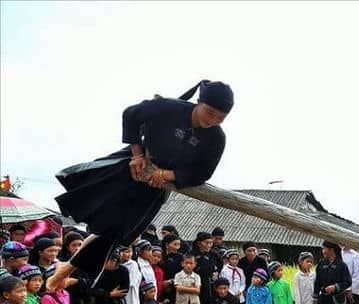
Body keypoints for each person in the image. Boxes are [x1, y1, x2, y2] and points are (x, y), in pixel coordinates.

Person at [50, 80, 233, 291]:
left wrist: (166, 174)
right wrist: (137, 154)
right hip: (132, 167)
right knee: (91, 204)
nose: (213, 120)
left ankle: (67, 269)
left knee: (117, 233)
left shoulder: (217, 138)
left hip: (157, 187)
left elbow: (203, 172)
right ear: (199, 102)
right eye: (210, 112)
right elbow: (131, 114)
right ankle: (66, 268)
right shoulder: (169, 107)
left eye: (221, 117)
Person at [190, 231, 221, 304]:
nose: (209, 245)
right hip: (196, 283)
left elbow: (220, 265)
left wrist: (217, 272)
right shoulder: (193, 254)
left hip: (210, 283)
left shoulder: (214, 254)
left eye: (211, 243)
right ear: (199, 243)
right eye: (207, 243)